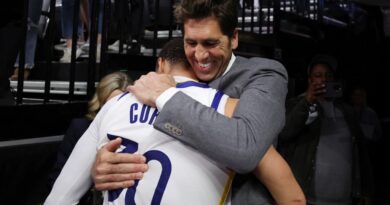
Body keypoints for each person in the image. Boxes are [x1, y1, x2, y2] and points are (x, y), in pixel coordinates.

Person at [45, 39, 304, 205]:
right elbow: (292, 197)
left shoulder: (114, 104)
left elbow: (61, 197)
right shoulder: (228, 107)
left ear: (160, 63)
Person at [92, 0, 289, 204]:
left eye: (211, 43)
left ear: (234, 38)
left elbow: (245, 149)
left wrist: (166, 97)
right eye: (191, 43)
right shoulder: (166, 79)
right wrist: (106, 164)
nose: (200, 55)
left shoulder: (263, 74)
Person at [277, 54, 374, 205]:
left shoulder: (347, 112)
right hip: (307, 199)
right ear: (310, 81)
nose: (324, 79)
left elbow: (361, 153)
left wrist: (366, 191)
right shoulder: (297, 104)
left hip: (345, 200)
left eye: (328, 75)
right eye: (318, 75)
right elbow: (285, 132)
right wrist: (308, 100)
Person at [47, 71, 132, 204]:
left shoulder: (134, 132)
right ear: (100, 102)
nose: (113, 110)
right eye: (109, 104)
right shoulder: (81, 127)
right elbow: (57, 176)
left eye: (119, 106)